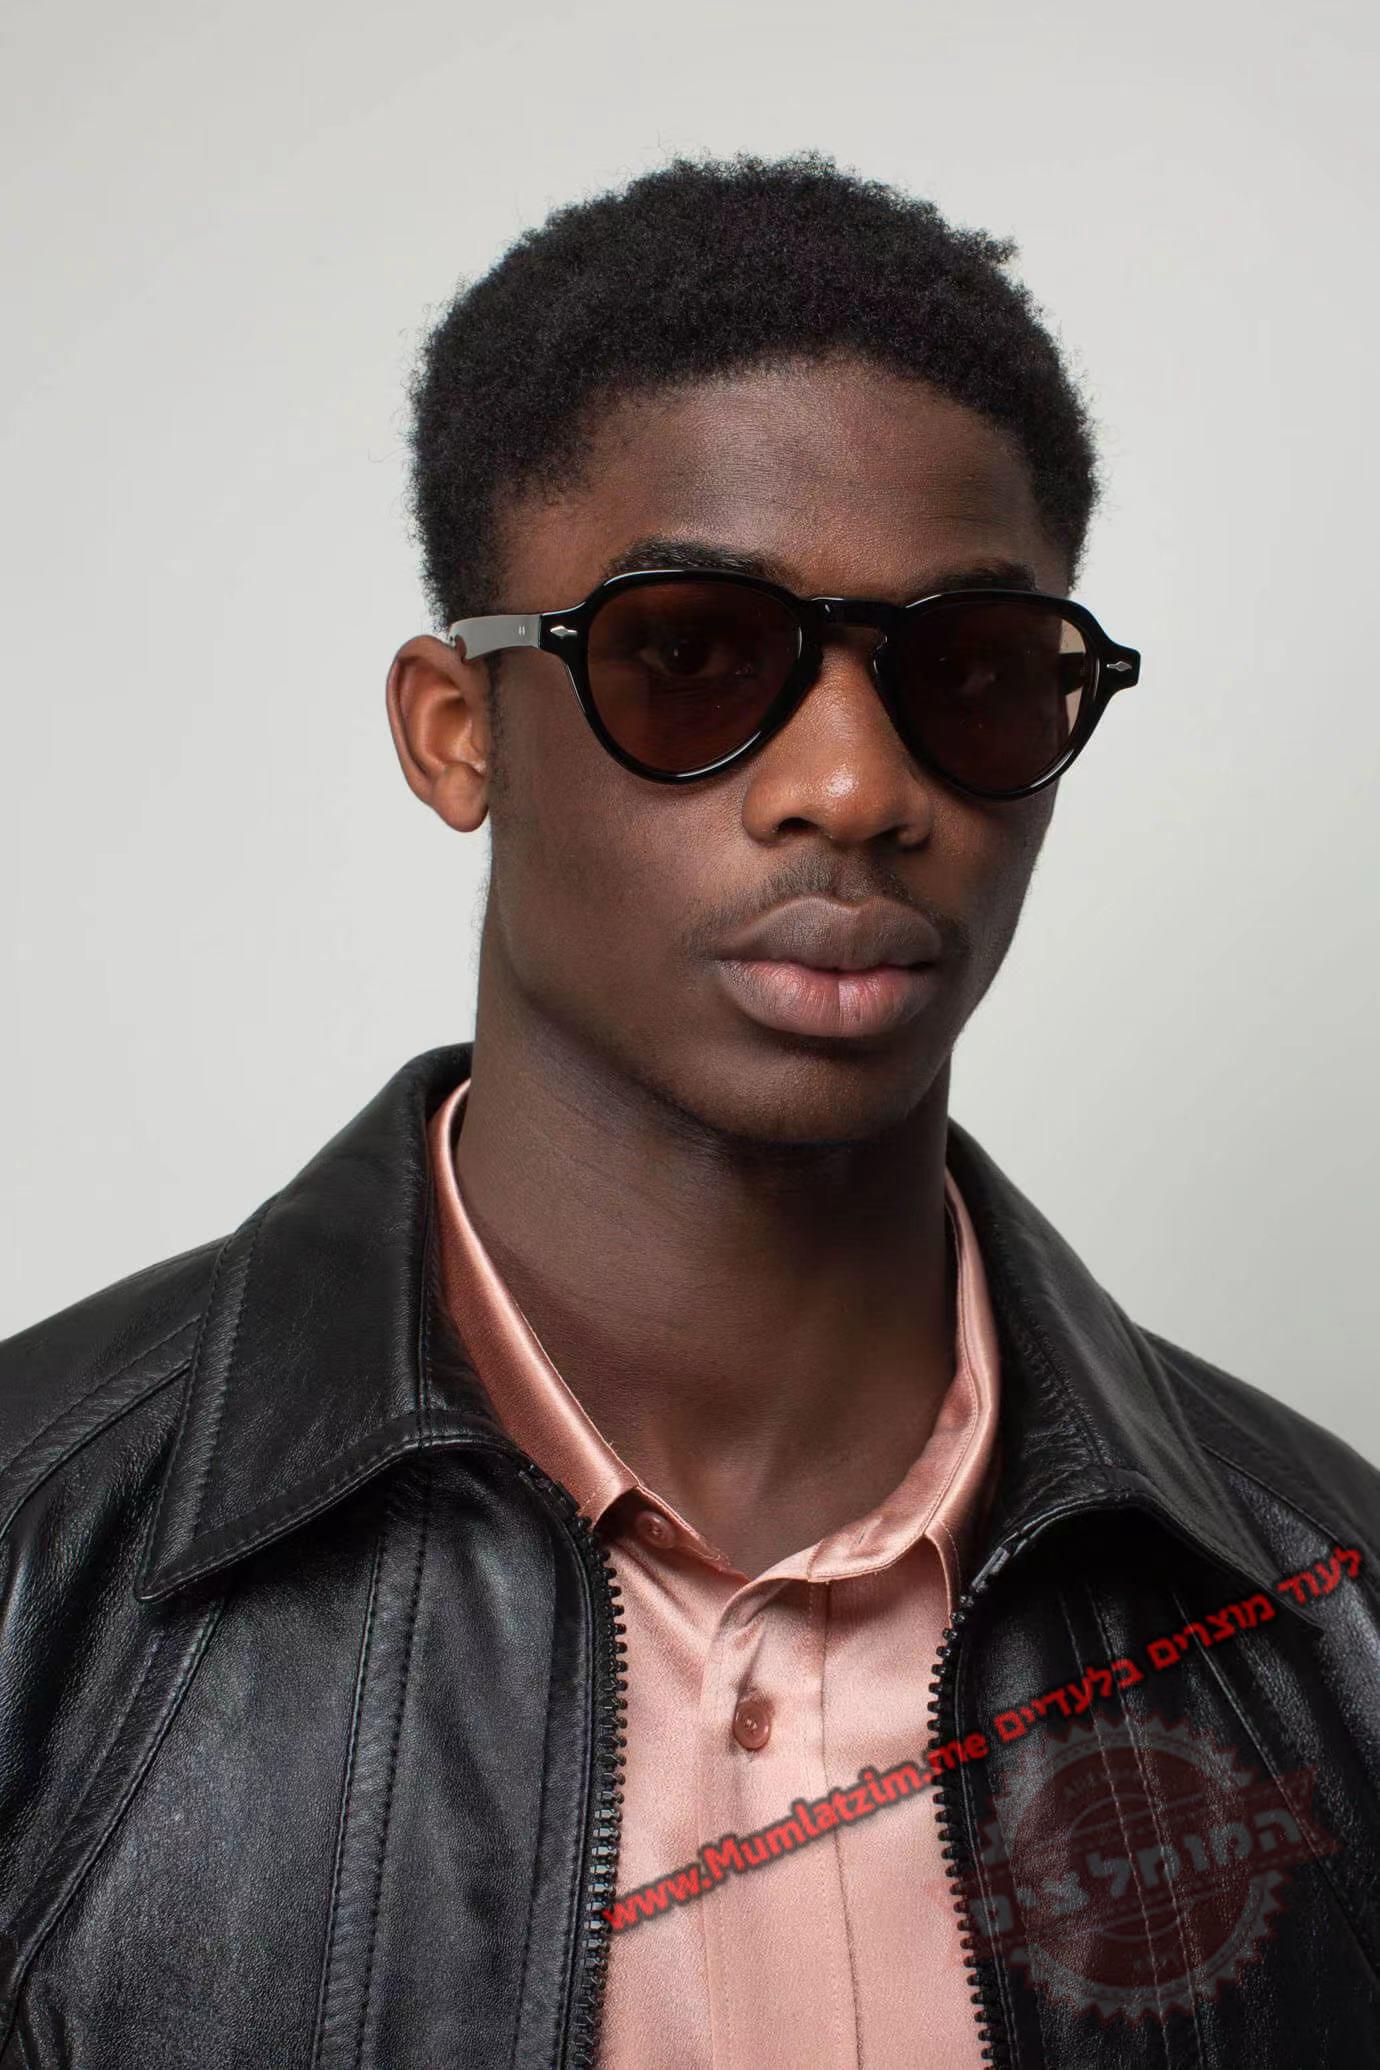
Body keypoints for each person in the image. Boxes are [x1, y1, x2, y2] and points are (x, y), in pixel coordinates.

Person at [1, 151, 1376, 2070]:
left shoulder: (1331, 1621)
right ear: (456, 731)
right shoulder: (40, 1568)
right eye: (694, 656)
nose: (853, 785)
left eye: (974, 674)